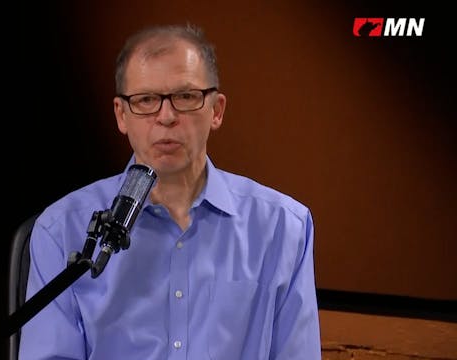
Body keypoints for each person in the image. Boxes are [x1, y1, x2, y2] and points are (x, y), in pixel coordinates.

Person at [18, 23, 321, 359]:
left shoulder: (283, 228)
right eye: (146, 100)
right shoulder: (62, 230)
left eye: (185, 97)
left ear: (216, 110)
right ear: (121, 115)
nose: (166, 116)